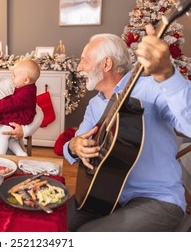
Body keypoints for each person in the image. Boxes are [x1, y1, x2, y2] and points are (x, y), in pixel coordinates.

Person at [63, 25, 191, 231]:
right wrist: (74, 146)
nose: (78, 67)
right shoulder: (95, 105)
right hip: (104, 195)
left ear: (106, 64)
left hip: (156, 199)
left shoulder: (152, 87)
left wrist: (167, 74)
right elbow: (75, 145)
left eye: (84, 60)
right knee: (55, 225)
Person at [0, 59, 40, 156]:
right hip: (21, 116)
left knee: (2, 133)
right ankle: (20, 153)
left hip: (21, 118)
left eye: (14, 76)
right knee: (9, 136)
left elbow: (12, 102)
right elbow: (12, 99)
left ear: (26, 80)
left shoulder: (26, 92)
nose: (12, 78)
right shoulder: (27, 88)